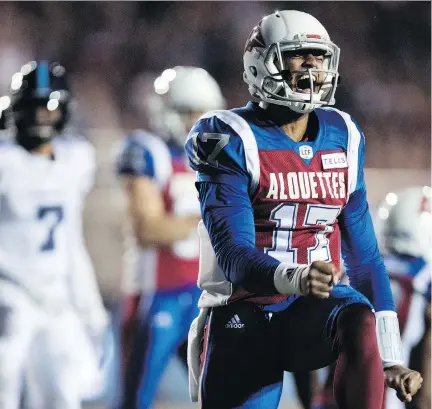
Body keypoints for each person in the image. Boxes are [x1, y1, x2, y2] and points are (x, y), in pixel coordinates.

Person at [184, 10, 423, 409]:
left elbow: (364, 259)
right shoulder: (229, 136)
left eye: (319, 56)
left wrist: (391, 356)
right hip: (245, 312)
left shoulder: (343, 134)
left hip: (314, 314)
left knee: (358, 317)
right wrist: (296, 278)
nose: (312, 66)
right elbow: (234, 258)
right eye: (298, 55)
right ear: (261, 64)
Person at [0, 60, 109, 409]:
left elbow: (70, 238)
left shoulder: (76, 160)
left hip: (55, 298)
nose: (42, 116)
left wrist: (88, 305)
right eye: (33, 106)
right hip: (8, 292)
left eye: (50, 106)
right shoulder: (5, 160)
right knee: (4, 376)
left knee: (63, 393)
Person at [116, 66, 225, 409]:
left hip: (204, 295)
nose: (198, 122)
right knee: (136, 398)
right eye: (190, 112)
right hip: (155, 294)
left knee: (222, 393)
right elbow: (148, 229)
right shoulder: (147, 151)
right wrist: (211, 221)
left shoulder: (220, 161)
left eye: (204, 113)